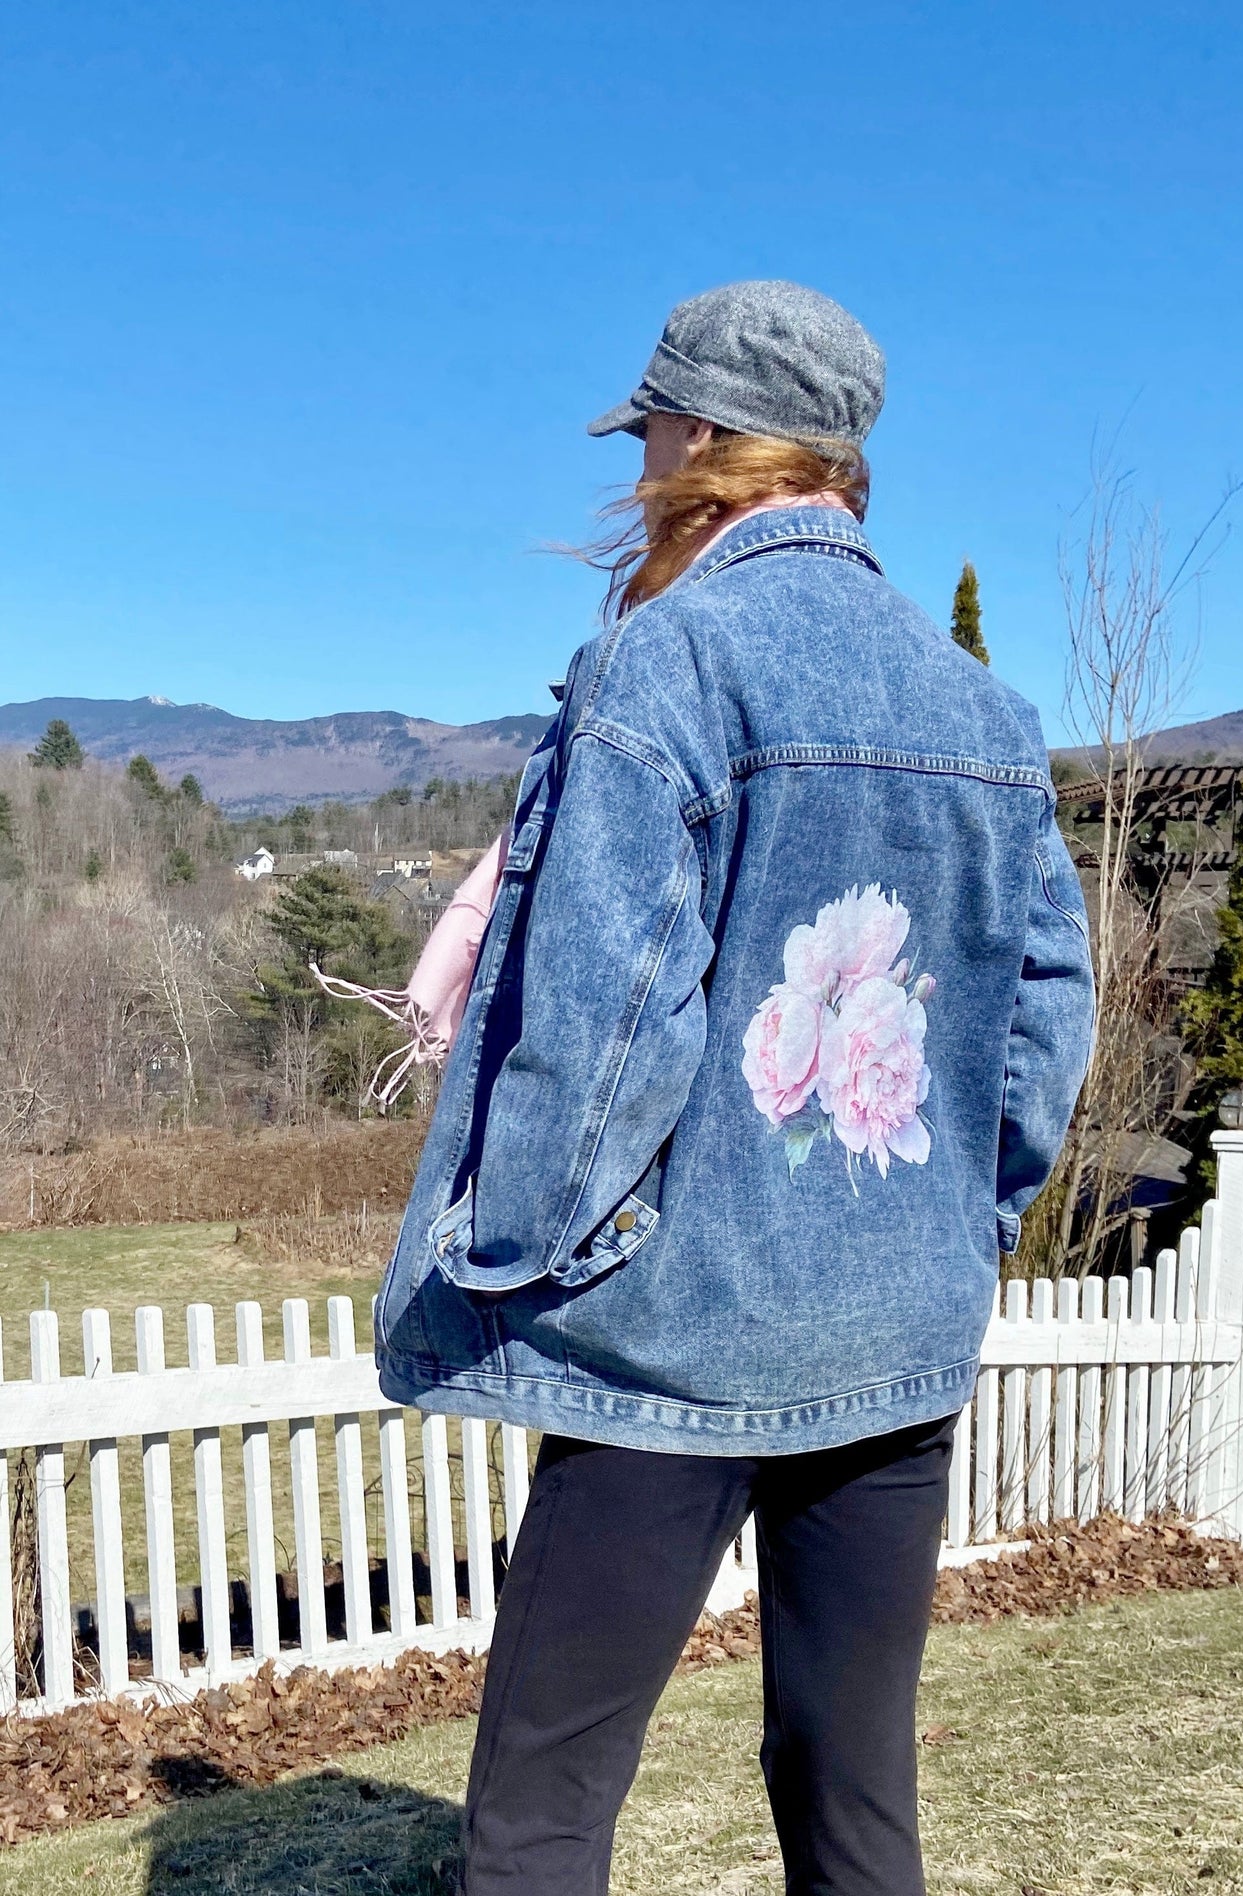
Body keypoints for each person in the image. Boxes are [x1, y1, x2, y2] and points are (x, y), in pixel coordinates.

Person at [375, 279, 1095, 1895]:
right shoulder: (988, 710)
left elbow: (609, 1018)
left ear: (697, 436)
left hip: (674, 1333)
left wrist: (524, 1250)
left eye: (649, 433)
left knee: (543, 1809)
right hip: (896, 1326)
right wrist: (961, 1223)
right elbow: (1047, 1016)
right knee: (853, 1790)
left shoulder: (666, 661)